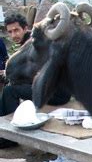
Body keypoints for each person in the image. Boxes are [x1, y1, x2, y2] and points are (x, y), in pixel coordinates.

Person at [0, 12, 71, 148]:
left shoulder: (35, 44)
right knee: (12, 86)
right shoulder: (31, 42)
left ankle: (9, 138)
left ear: (25, 28)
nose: (14, 35)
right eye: (10, 32)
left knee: (10, 91)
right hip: (50, 88)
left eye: (16, 30)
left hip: (56, 93)